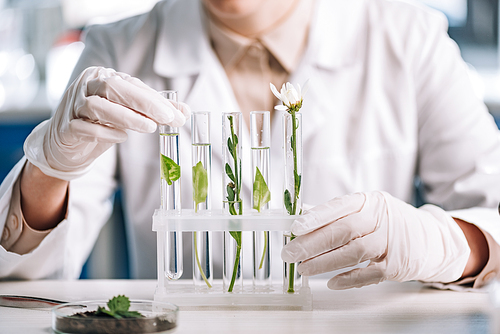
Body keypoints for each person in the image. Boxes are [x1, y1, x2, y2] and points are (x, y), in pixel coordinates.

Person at [0, 0, 499, 290]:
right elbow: (24, 274)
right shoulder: (121, 49)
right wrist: (51, 167)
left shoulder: (408, 38)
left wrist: (447, 243)